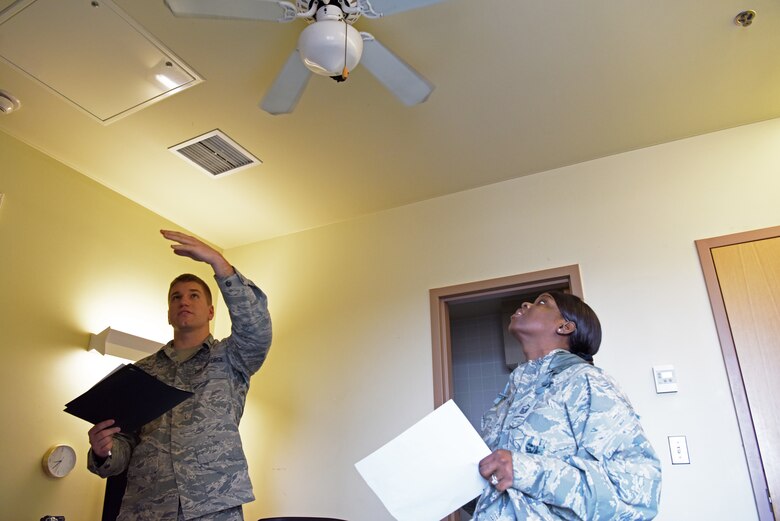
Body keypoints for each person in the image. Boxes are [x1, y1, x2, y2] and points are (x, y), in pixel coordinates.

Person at [86, 230, 273, 521]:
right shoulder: (143, 371)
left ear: (211, 311)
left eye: (193, 295)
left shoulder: (231, 358)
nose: (184, 301)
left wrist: (218, 263)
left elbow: (256, 330)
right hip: (146, 507)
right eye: (176, 297)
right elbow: (126, 443)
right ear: (169, 314)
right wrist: (103, 451)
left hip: (212, 506)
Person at [474, 291, 661, 520]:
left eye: (542, 302)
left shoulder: (586, 382)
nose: (525, 303)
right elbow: (499, 488)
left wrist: (525, 470)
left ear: (565, 327)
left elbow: (637, 492)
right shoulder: (508, 399)